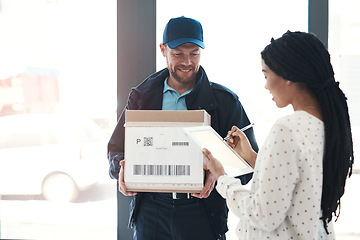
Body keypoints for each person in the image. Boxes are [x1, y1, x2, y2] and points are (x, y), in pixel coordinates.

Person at [107, 16, 258, 240]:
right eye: (178, 53)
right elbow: (116, 149)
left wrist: (217, 175)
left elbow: (247, 167)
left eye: (194, 53)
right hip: (151, 211)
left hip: (202, 211)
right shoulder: (141, 97)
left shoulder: (226, 102)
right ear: (163, 50)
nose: (187, 61)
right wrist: (121, 169)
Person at [202, 30, 354, 239]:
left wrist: (221, 177)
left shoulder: (287, 128)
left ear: (288, 75)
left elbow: (263, 214)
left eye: (266, 75)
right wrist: (252, 157)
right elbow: (294, 184)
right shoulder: (325, 126)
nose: (266, 85)